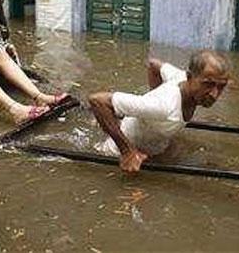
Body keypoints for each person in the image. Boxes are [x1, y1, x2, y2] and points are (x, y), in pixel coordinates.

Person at [88, 50, 231, 173]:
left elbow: (153, 64)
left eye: (221, 86)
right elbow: (97, 100)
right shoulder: (163, 106)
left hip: (156, 149)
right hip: (116, 158)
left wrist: (149, 105)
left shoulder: (179, 77)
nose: (214, 94)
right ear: (189, 77)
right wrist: (127, 152)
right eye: (208, 84)